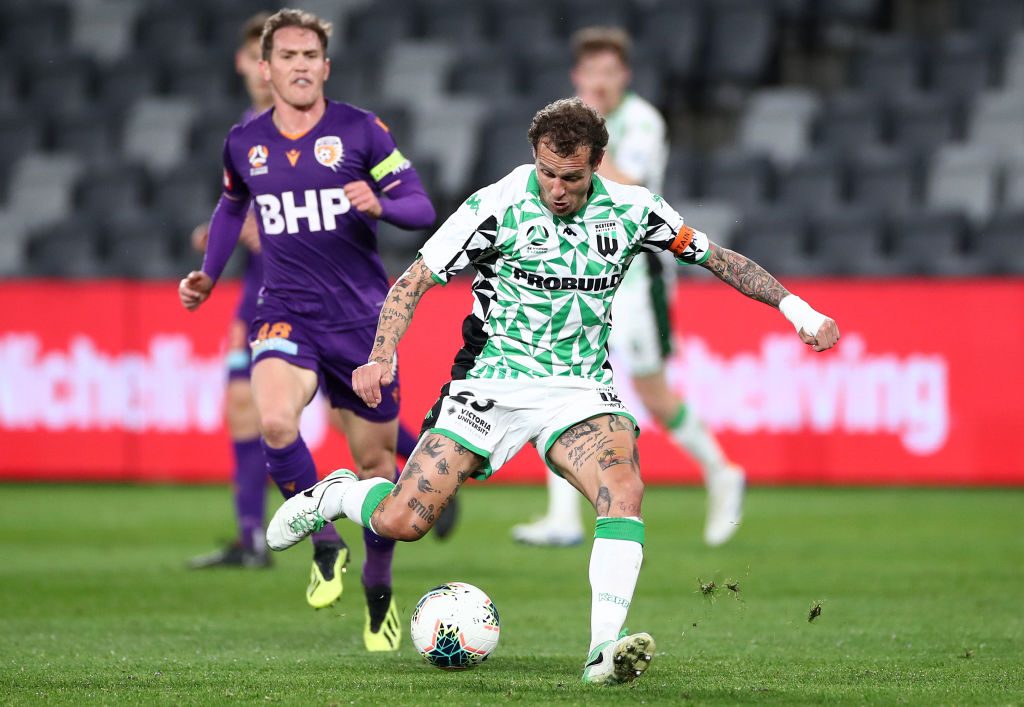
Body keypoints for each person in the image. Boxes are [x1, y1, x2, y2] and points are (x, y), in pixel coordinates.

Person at [265, 98, 840, 683]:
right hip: (492, 381)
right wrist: (381, 355)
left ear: (597, 166)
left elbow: (717, 258)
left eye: (573, 177)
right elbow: (413, 281)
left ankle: (602, 652)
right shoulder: (496, 206)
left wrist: (799, 310)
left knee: (624, 486)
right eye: (548, 172)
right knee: (402, 522)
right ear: (534, 158)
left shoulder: (634, 210)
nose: (558, 189)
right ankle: (334, 496)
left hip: (580, 388)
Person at [178, 9, 436, 652]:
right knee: (273, 422)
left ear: (326, 66)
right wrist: (209, 275)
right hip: (283, 308)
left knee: (375, 464)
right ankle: (325, 541)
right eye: (286, 55)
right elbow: (231, 203)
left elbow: (423, 207)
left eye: (309, 55)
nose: (298, 65)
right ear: (265, 69)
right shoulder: (245, 141)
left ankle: (378, 594)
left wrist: (382, 204)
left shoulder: (361, 130)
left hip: (362, 324)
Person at [512, 27, 745, 549]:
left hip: (638, 275)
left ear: (624, 76)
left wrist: (586, 138)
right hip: (579, 273)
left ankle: (721, 472)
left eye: (609, 72)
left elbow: (630, 185)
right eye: (591, 71)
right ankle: (563, 517)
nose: (600, 80)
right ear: (578, 75)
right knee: (558, 379)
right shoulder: (564, 122)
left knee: (655, 396)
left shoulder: (641, 121)